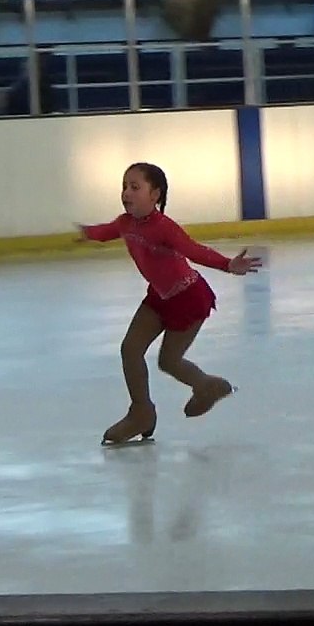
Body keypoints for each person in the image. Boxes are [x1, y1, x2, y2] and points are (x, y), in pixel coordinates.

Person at [74, 162, 262, 445]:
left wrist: (227, 264)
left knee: (169, 361)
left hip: (188, 297)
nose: (126, 193)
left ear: (155, 194)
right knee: (130, 350)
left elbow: (193, 250)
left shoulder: (164, 227)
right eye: (124, 186)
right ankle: (141, 412)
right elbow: (107, 230)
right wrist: (87, 232)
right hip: (159, 296)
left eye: (135, 187)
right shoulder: (125, 223)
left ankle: (207, 386)